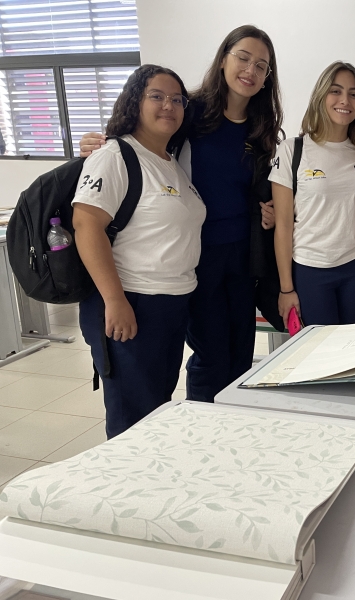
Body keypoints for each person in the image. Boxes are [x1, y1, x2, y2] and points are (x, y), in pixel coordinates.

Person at [80, 26, 283, 402]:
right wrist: (98, 142)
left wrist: (268, 209)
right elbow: (140, 144)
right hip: (196, 254)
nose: (250, 70)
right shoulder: (191, 112)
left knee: (241, 352)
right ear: (223, 60)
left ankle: (236, 420)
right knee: (211, 354)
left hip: (242, 255)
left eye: (261, 65)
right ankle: (204, 422)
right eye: (243, 58)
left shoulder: (262, 125)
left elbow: (256, 187)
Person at [72, 65, 205, 438]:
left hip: (171, 304)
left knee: (156, 406)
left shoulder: (168, 160)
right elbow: (86, 226)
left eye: (177, 100)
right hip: (132, 301)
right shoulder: (115, 155)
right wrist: (115, 301)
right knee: (131, 417)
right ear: (135, 101)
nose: (168, 106)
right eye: (157, 96)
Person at [269, 62, 355, 326]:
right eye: (335, 91)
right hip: (310, 270)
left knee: (350, 346)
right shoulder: (292, 150)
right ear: (321, 96)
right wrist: (286, 289)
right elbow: (283, 226)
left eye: (353, 94)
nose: (345, 100)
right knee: (321, 349)